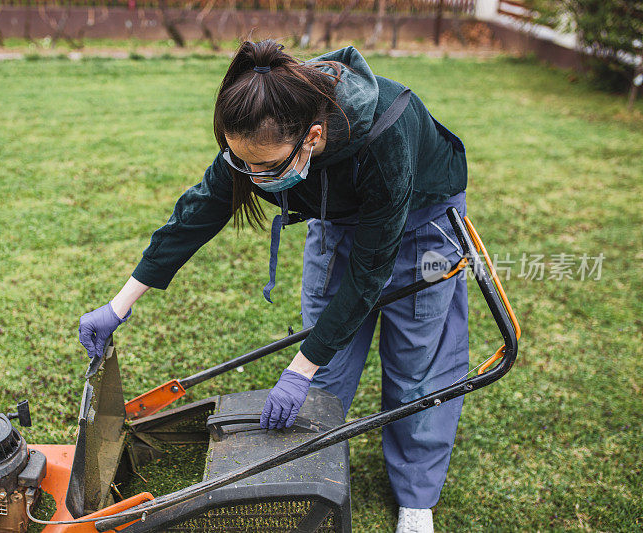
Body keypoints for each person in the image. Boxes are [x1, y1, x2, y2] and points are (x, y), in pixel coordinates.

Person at [78, 39, 469, 533]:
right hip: (339, 218)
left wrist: (298, 369)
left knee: (418, 365)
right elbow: (195, 215)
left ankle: (417, 499)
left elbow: (370, 273)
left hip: (421, 224)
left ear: (312, 136)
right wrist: (119, 304)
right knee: (324, 361)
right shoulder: (261, 128)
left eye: (267, 168)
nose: (255, 180)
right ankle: (311, 475)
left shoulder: (386, 132)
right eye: (243, 164)